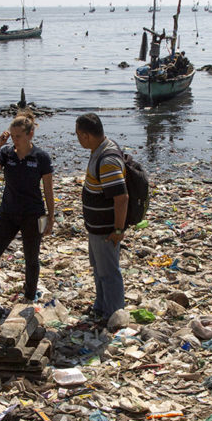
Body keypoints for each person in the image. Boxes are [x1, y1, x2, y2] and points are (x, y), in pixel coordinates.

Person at [0, 111, 55, 310]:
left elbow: (48, 189)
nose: (15, 140)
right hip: (8, 213)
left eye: (19, 136)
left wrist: (51, 217)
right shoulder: (6, 153)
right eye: (12, 136)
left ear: (30, 135)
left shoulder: (41, 157)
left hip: (33, 214)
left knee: (31, 259)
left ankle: (29, 296)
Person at [75, 113, 128, 320]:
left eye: (79, 134)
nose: (78, 138)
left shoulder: (107, 160)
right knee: (99, 269)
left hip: (106, 230)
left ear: (87, 135)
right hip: (96, 228)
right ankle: (101, 306)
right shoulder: (99, 148)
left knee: (108, 273)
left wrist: (118, 230)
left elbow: (121, 198)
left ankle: (114, 314)